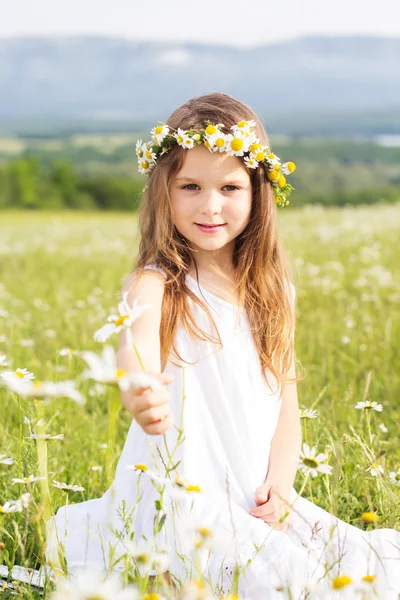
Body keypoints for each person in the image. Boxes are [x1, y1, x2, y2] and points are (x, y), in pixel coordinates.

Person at [47, 93, 400, 599]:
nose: (210, 205)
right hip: (183, 496)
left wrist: (279, 487)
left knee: (359, 568)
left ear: (257, 192)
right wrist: (139, 384)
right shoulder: (156, 282)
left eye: (229, 187)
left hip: (251, 494)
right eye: (190, 186)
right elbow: (137, 342)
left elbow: (286, 404)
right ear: (163, 191)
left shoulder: (276, 293)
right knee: (289, 584)